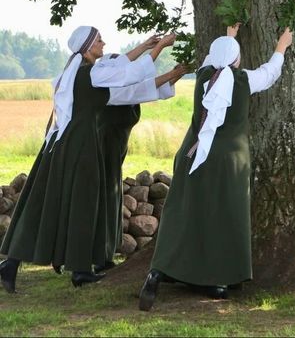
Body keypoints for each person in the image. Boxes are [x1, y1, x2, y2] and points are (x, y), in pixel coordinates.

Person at [0, 27, 175, 292]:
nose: (103, 43)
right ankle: (79, 270)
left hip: (62, 144)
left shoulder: (78, 73)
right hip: (80, 145)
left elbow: (119, 67)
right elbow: (127, 73)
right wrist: (160, 47)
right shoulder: (91, 74)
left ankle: (12, 265)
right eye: (99, 40)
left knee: (44, 203)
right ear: (88, 47)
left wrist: (145, 46)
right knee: (83, 202)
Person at [138, 23, 294, 311]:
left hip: (192, 155)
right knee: (222, 215)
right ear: (236, 59)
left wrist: (228, 38)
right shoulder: (243, 80)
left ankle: (160, 270)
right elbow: (270, 72)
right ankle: (217, 280)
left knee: (184, 212)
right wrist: (281, 46)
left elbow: (216, 58)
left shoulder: (203, 76)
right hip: (227, 159)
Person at [94, 48, 191, 274]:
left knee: (112, 197)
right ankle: (99, 256)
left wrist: (177, 74)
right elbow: (141, 89)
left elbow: (149, 90)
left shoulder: (124, 89)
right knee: (104, 199)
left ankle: (105, 253)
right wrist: (171, 70)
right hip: (103, 147)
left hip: (115, 148)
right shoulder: (110, 90)